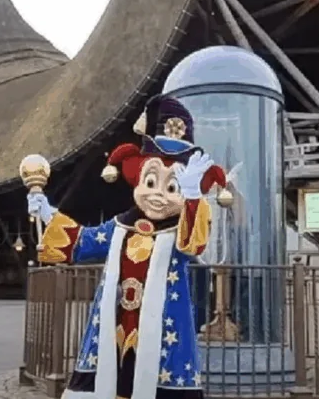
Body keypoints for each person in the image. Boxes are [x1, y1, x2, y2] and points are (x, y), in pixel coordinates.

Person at [28, 95, 228, 399]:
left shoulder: (180, 229)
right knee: (115, 374)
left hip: (162, 324)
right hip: (116, 318)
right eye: (151, 183)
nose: (157, 195)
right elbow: (83, 240)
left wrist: (191, 197)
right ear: (137, 180)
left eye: (171, 187)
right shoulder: (122, 225)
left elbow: (194, 244)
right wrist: (47, 213)